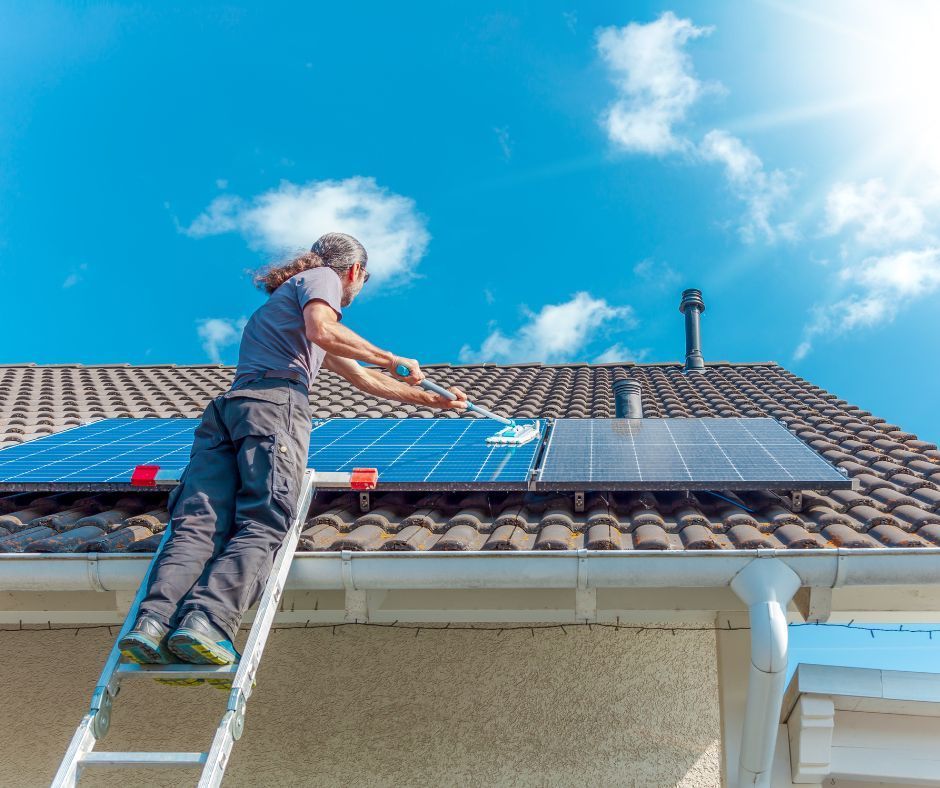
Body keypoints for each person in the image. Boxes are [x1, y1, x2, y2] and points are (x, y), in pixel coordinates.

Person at [119, 232, 467, 665]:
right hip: (273, 408)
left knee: (199, 524)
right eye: (361, 281)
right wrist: (392, 357)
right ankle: (206, 622)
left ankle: (151, 624)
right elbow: (326, 328)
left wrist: (433, 400)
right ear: (354, 271)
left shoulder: (281, 306)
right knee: (264, 520)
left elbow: (362, 378)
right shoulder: (322, 279)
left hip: (228, 412)